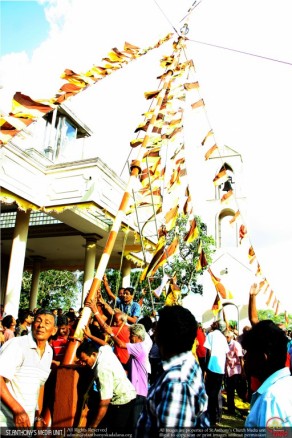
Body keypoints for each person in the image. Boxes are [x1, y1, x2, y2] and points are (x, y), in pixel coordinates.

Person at [136, 305, 209, 437]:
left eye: (157, 326)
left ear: (162, 335)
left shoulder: (177, 383)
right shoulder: (187, 363)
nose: (154, 330)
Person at [0, 309, 57, 428]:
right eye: (38, 321)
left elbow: (36, 388)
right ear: (33, 324)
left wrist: (37, 417)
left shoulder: (48, 352)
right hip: (5, 423)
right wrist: (17, 410)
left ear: (54, 330)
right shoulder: (17, 345)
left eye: (47, 323)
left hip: (26, 425)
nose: (41, 325)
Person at [76, 340, 136, 432]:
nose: (83, 364)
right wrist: (91, 336)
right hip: (130, 394)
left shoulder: (102, 370)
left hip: (122, 401)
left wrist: (92, 428)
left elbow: (105, 401)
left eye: (85, 360)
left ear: (93, 354)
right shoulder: (103, 351)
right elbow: (106, 345)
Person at [242, 320, 292, 427]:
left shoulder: (271, 400)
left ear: (263, 357)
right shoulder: (286, 385)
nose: (245, 358)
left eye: (249, 352)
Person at [104, 323, 152, 426]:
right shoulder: (137, 350)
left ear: (137, 336)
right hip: (135, 391)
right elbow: (128, 367)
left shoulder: (139, 347)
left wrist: (111, 334)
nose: (129, 337)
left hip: (139, 392)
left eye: (131, 335)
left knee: (135, 424)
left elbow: (121, 344)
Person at [204, 320, 230, 427]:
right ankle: (215, 417)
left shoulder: (211, 335)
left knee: (210, 394)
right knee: (215, 394)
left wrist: (206, 368)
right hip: (220, 369)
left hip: (211, 367)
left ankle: (210, 418)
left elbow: (208, 352)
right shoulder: (224, 338)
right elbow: (225, 353)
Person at [224, 329, 245, 414]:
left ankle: (244, 409)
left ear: (229, 337)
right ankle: (231, 409)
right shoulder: (224, 345)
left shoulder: (236, 345)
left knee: (238, 391)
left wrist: (243, 372)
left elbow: (241, 358)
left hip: (236, 370)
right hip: (228, 370)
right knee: (229, 391)